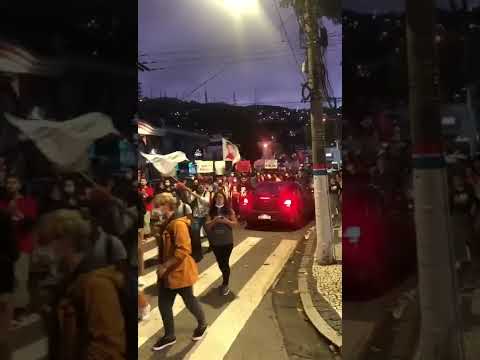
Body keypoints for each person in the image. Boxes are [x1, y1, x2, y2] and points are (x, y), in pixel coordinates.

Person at [38, 209, 126, 360]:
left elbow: (108, 349)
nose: (38, 250)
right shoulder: (69, 280)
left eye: (45, 242)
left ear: (66, 240)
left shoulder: (95, 284)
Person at [152, 193, 207, 351]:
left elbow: (183, 249)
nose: (155, 209)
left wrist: (165, 266)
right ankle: (169, 336)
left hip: (179, 271)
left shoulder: (178, 224)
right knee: (164, 304)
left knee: (189, 301)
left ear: (167, 206)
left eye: (158, 206)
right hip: (167, 274)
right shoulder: (165, 223)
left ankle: (202, 324)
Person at [0, 175, 38, 323]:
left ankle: (20, 311)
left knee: (20, 278)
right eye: (8, 182)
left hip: (21, 245)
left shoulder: (28, 202)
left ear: (20, 184)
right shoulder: (3, 203)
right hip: (4, 249)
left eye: (13, 182)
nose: (10, 185)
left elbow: (30, 224)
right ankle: (8, 312)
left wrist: (16, 213)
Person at [205, 192, 237, 296]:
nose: (219, 199)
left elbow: (235, 225)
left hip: (227, 242)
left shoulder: (229, 210)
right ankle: (225, 280)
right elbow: (207, 227)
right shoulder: (211, 211)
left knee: (225, 263)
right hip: (215, 243)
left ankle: (225, 284)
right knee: (220, 263)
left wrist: (226, 221)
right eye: (217, 198)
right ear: (214, 200)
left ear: (224, 199)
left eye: (221, 198)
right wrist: (214, 220)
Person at [0, 210, 17, 360]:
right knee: (3, 335)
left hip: (4, 284)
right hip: (4, 284)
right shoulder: (4, 216)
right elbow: (14, 253)